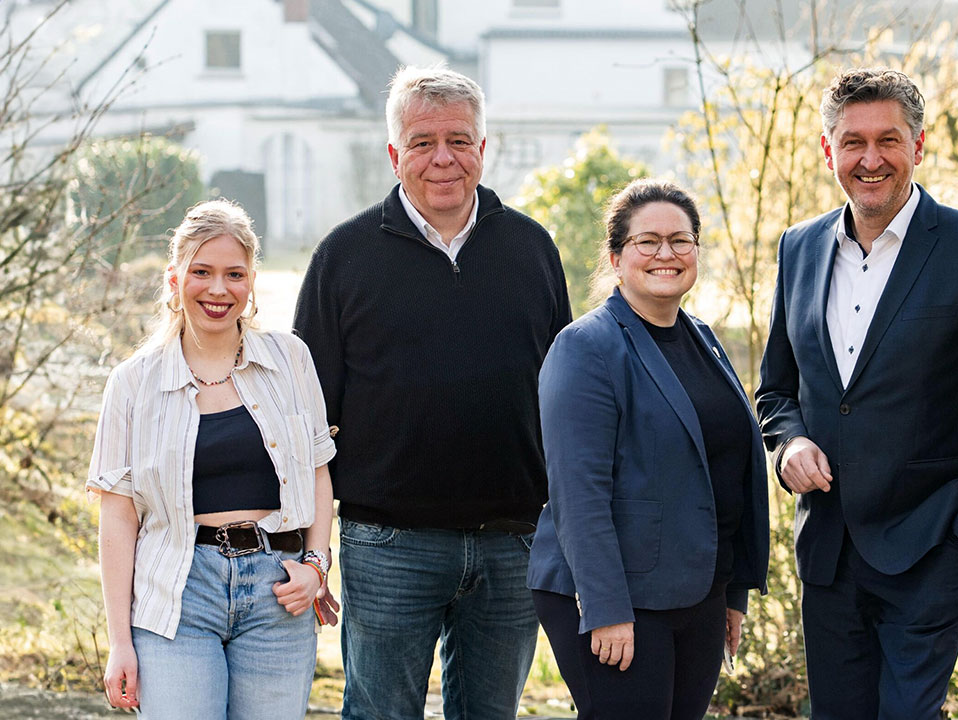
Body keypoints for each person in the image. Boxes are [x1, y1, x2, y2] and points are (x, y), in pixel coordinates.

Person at [293, 65, 571, 720]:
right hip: (389, 543)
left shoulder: (531, 249)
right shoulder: (344, 257)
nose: (442, 158)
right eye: (422, 142)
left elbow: (565, 398)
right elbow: (303, 419)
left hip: (512, 541)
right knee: (378, 713)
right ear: (394, 154)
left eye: (458, 139)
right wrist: (310, 546)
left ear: (482, 147)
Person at [755, 67, 958, 719]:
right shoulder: (797, 249)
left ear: (919, 146)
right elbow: (776, 389)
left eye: (889, 140)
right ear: (828, 152)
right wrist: (788, 443)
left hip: (930, 545)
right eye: (852, 143)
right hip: (827, 550)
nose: (870, 160)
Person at [527, 178, 769, 720]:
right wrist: (607, 609)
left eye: (681, 241)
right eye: (647, 242)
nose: (667, 254)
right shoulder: (585, 347)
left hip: (698, 592)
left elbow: (725, 472)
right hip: (615, 598)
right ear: (616, 257)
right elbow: (578, 493)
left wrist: (732, 591)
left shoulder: (704, 339)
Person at [89, 200, 337, 718]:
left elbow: (318, 470)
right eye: (202, 272)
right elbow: (117, 516)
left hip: (278, 592)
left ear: (251, 282)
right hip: (176, 595)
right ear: (175, 278)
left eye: (234, 274)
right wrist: (119, 642)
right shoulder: (132, 383)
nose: (218, 289)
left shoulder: (291, 359)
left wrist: (316, 565)